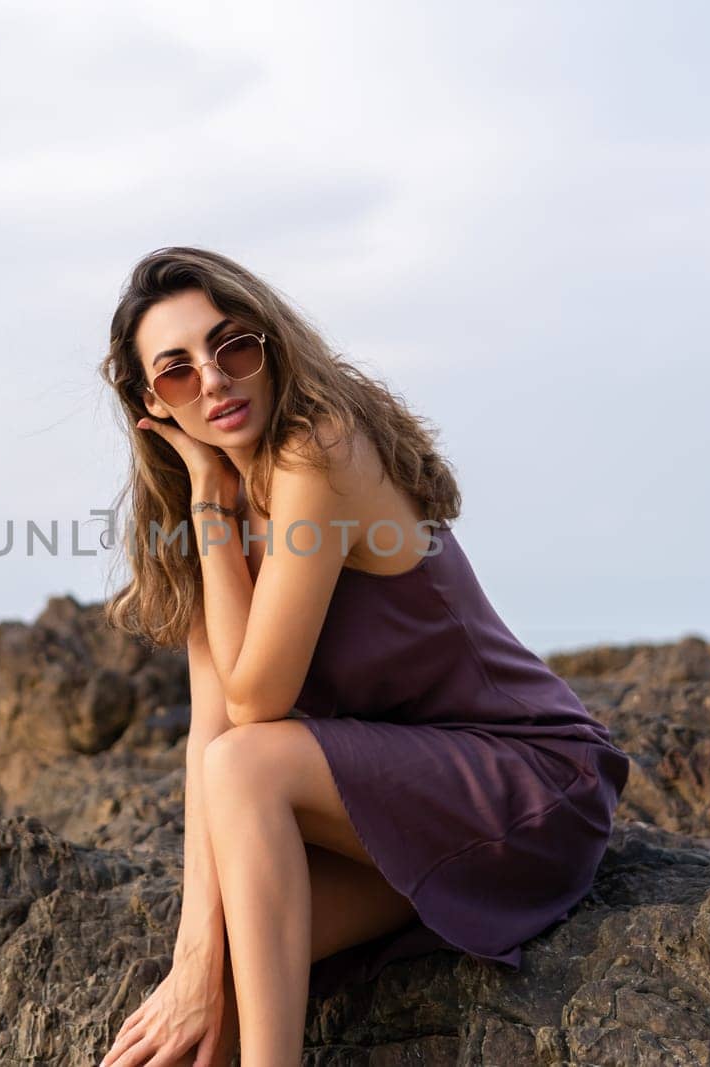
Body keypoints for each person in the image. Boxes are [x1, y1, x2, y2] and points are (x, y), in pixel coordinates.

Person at [97, 247, 630, 1067]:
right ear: (151, 404)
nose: (213, 379)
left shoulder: (321, 449)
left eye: (231, 345)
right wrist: (194, 960)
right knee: (221, 983)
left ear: (269, 343)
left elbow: (254, 710)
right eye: (175, 371)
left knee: (250, 768)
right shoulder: (213, 527)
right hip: (408, 813)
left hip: (532, 786)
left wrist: (207, 493)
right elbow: (210, 736)